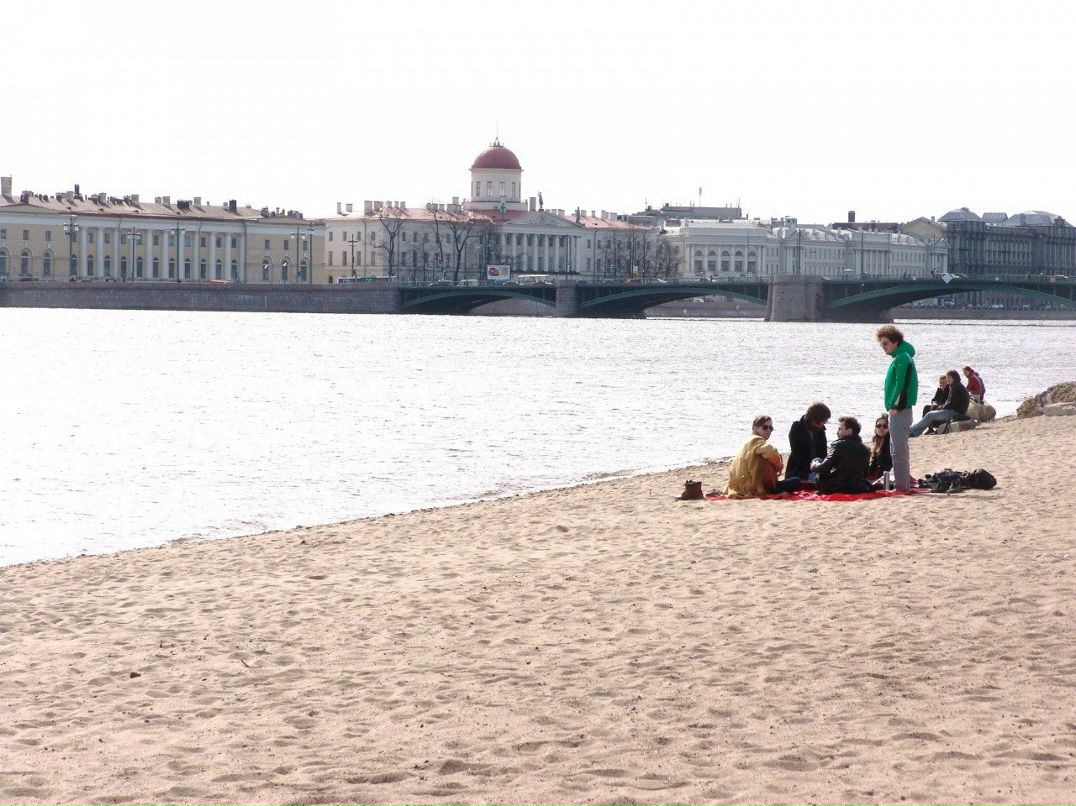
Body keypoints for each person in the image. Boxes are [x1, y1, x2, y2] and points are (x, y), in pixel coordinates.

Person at [877, 325, 917, 493]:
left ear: (895, 342)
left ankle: (901, 487)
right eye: (882, 344)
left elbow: (901, 385)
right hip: (902, 410)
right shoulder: (902, 355)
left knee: (898, 451)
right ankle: (903, 485)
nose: (884, 347)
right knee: (899, 450)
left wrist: (894, 406)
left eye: (886, 343)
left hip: (900, 410)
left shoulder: (901, 358)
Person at [725, 415, 801, 498]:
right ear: (755, 428)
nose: (768, 430)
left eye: (771, 428)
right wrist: (779, 465)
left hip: (739, 485)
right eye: (765, 427)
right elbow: (771, 451)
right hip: (752, 487)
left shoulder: (748, 440)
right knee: (796, 481)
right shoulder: (756, 440)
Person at [811, 416, 874, 494]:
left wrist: (814, 464)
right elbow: (865, 474)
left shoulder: (837, 445)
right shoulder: (866, 449)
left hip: (836, 487)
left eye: (840, 429)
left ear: (849, 430)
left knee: (817, 460)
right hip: (857, 487)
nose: (837, 432)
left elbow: (824, 468)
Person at [909, 369, 970, 436]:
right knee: (930, 414)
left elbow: (951, 403)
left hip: (955, 413)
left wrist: (941, 408)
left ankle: (912, 431)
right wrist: (941, 407)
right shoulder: (955, 386)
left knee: (930, 415)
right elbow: (949, 402)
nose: (947, 379)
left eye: (949, 377)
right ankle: (915, 431)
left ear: (955, 378)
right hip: (954, 411)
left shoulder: (957, 387)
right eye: (947, 377)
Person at [785, 402, 830, 481]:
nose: (823, 424)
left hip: (817, 468)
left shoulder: (821, 430)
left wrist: (820, 469)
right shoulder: (797, 427)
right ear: (814, 418)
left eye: (825, 421)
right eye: (822, 421)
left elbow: (823, 453)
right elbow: (797, 454)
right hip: (798, 470)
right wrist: (811, 469)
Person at [866, 414, 892, 481]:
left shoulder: (890, 443)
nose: (881, 428)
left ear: (889, 428)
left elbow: (887, 465)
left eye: (885, 426)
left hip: (886, 476)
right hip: (879, 474)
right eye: (878, 425)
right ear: (875, 428)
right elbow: (873, 464)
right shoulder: (878, 442)